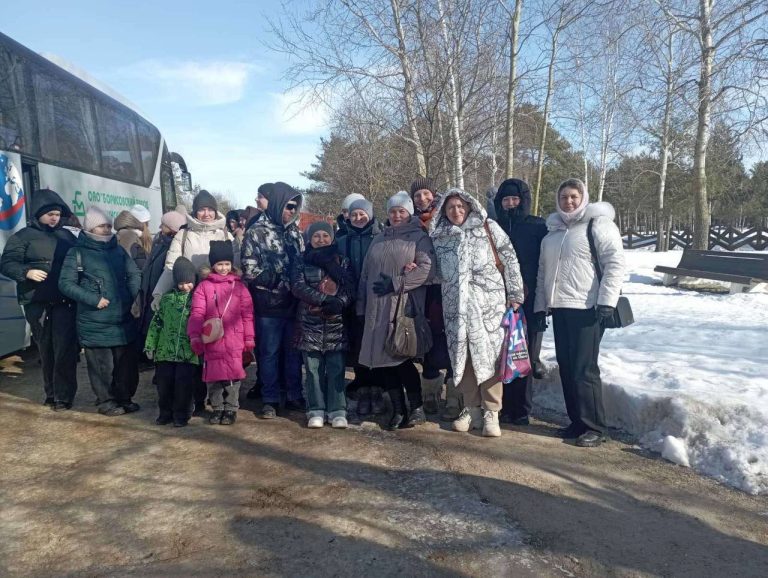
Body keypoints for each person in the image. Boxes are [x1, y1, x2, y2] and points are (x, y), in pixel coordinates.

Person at [534, 178, 625, 447]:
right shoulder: (552, 232)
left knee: (585, 369)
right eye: (564, 197)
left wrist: (606, 301)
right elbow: (542, 273)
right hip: (560, 308)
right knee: (567, 366)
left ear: (583, 198)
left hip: (588, 309)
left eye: (574, 196)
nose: (569, 201)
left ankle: (595, 426)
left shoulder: (598, 225)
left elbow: (615, 263)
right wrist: (541, 307)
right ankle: (577, 422)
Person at [430, 189, 525, 438]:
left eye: (460, 206)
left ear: (470, 206)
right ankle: (471, 409)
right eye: (451, 207)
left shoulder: (488, 227)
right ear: (444, 211)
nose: (456, 211)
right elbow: (434, 271)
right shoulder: (440, 236)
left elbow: (510, 259)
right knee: (464, 359)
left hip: (488, 305)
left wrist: (514, 295)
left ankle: (491, 413)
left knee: (490, 357)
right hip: (456, 308)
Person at [151, 190, 235, 414]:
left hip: (219, 300)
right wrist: (159, 294)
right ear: (195, 211)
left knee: (216, 348)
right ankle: (197, 397)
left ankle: (215, 396)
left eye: (210, 209)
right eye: (201, 209)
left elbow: (234, 269)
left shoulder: (226, 234)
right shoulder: (183, 235)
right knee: (194, 349)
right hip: (189, 297)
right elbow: (171, 267)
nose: (206, 214)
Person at [357, 191, 435, 430]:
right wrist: (361, 304)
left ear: (409, 213)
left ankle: (417, 407)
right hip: (375, 310)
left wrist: (396, 283)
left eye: (402, 211)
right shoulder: (378, 238)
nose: (397, 215)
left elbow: (427, 270)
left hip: (401, 307)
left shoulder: (418, 237)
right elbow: (365, 274)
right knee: (381, 360)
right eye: (393, 211)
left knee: (400, 358)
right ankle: (398, 408)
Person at [58, 207, 142, 416]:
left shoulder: (118, 250)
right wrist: (93, 300)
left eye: (107, 226)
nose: (105, 230)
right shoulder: (77, 252)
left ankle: (125, 397)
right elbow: (66, 284)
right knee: (102, 367)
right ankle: (106, 401)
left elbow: (134, 275)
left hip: (123, 318)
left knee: (126, 365)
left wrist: (132, 297)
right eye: (101, 226)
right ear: (89, 228)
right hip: (94, 320)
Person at [0, 189, 78, 410]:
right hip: (37, 302)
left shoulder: (67, 236)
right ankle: (51, 392)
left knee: (64, 349)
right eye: (50, 213)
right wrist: (27, 272)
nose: (54, 218)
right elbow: (7, 263)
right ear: (38, 213)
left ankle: (64, 396)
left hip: (64, 301)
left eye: (57, 214)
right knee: (46, 349)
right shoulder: (22, 236)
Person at [241, 182, 305, 418]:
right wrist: (275, 280)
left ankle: (294, 395)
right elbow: (248, 267)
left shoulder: (295, 232)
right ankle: (270, 398)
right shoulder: (256, 231)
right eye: (288, 206)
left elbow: (302, 261)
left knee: (293, 353)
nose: (291, 211)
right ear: (278, 204)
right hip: (268, 304)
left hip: (294, 303)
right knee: (268, 353)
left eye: (294, 207)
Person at [493, 178, 548, 425]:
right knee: (503, 352)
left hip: (530, 299)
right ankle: (505, 405)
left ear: (524, 200)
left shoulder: (537, 226)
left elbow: (546, 263)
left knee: (523, 353)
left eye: (515, 199)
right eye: (506, 200)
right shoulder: (493, 227)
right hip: (499, 299)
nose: (511, 204)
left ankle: (522, 409)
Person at [291, 222, 354, 429]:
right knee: (312, 370)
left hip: (336, 323)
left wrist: (340, 303)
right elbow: (298, 286)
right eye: (316, 236)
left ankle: (338, 410)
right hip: (309, 323)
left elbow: (350, 287)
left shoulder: (342, 261)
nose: (321, 239)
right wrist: (324, 300)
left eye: (325, 235)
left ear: (332, 238)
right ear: (309, 239)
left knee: (336, 368)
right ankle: (316, 409)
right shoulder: (301, 260)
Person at [188, 241, 255, 426]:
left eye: (226, 264)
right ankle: (217, 407)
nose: (223, 268)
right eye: (219, 264)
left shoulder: (240, 288)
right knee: (214, 377)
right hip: (213, 338)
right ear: (212, 265)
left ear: (232, 265)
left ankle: (231, 407)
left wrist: (249, 337)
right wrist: (194, 335)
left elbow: (247, 314)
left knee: (233, 376)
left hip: (235, 338)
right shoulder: (203, 287)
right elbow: (197, 313)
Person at [409, 177, 455, 420]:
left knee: (453, 337)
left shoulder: (447, 216)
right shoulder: (411, 223)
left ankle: (454, 394)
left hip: (448, 286)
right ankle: (430, 392)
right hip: (424, 289)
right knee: (428, 337)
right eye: (417, 196)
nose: (422, 199)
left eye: (425, 193)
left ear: (433, 194)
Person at [337, 198, 383, 421]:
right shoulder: (342, 240)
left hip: (376, 301)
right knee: (358, 350)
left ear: (370, 215)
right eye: (354, 214)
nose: (357, 218)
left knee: (377, 348)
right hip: (350, 303)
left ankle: (378, 392)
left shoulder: (381, 237)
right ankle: (363, 391)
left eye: (362, 214)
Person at [144, 257, 200, 427]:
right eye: (181, 283)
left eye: (188, 282)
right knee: (164, 385)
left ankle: (181, 414)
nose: (185, 286)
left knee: (183, 386)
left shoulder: (197, 299)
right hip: (165, 351)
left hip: (187, 352)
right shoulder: (167, 299)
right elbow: (157, 322)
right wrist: (150, 344)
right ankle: (165, 413)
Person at [138, 210, 186, 343]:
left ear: (171, 228)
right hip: (151, 293)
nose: (160, 227)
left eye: (163, 224)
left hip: (164, 295)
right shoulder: (159, 243)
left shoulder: (174, 246)